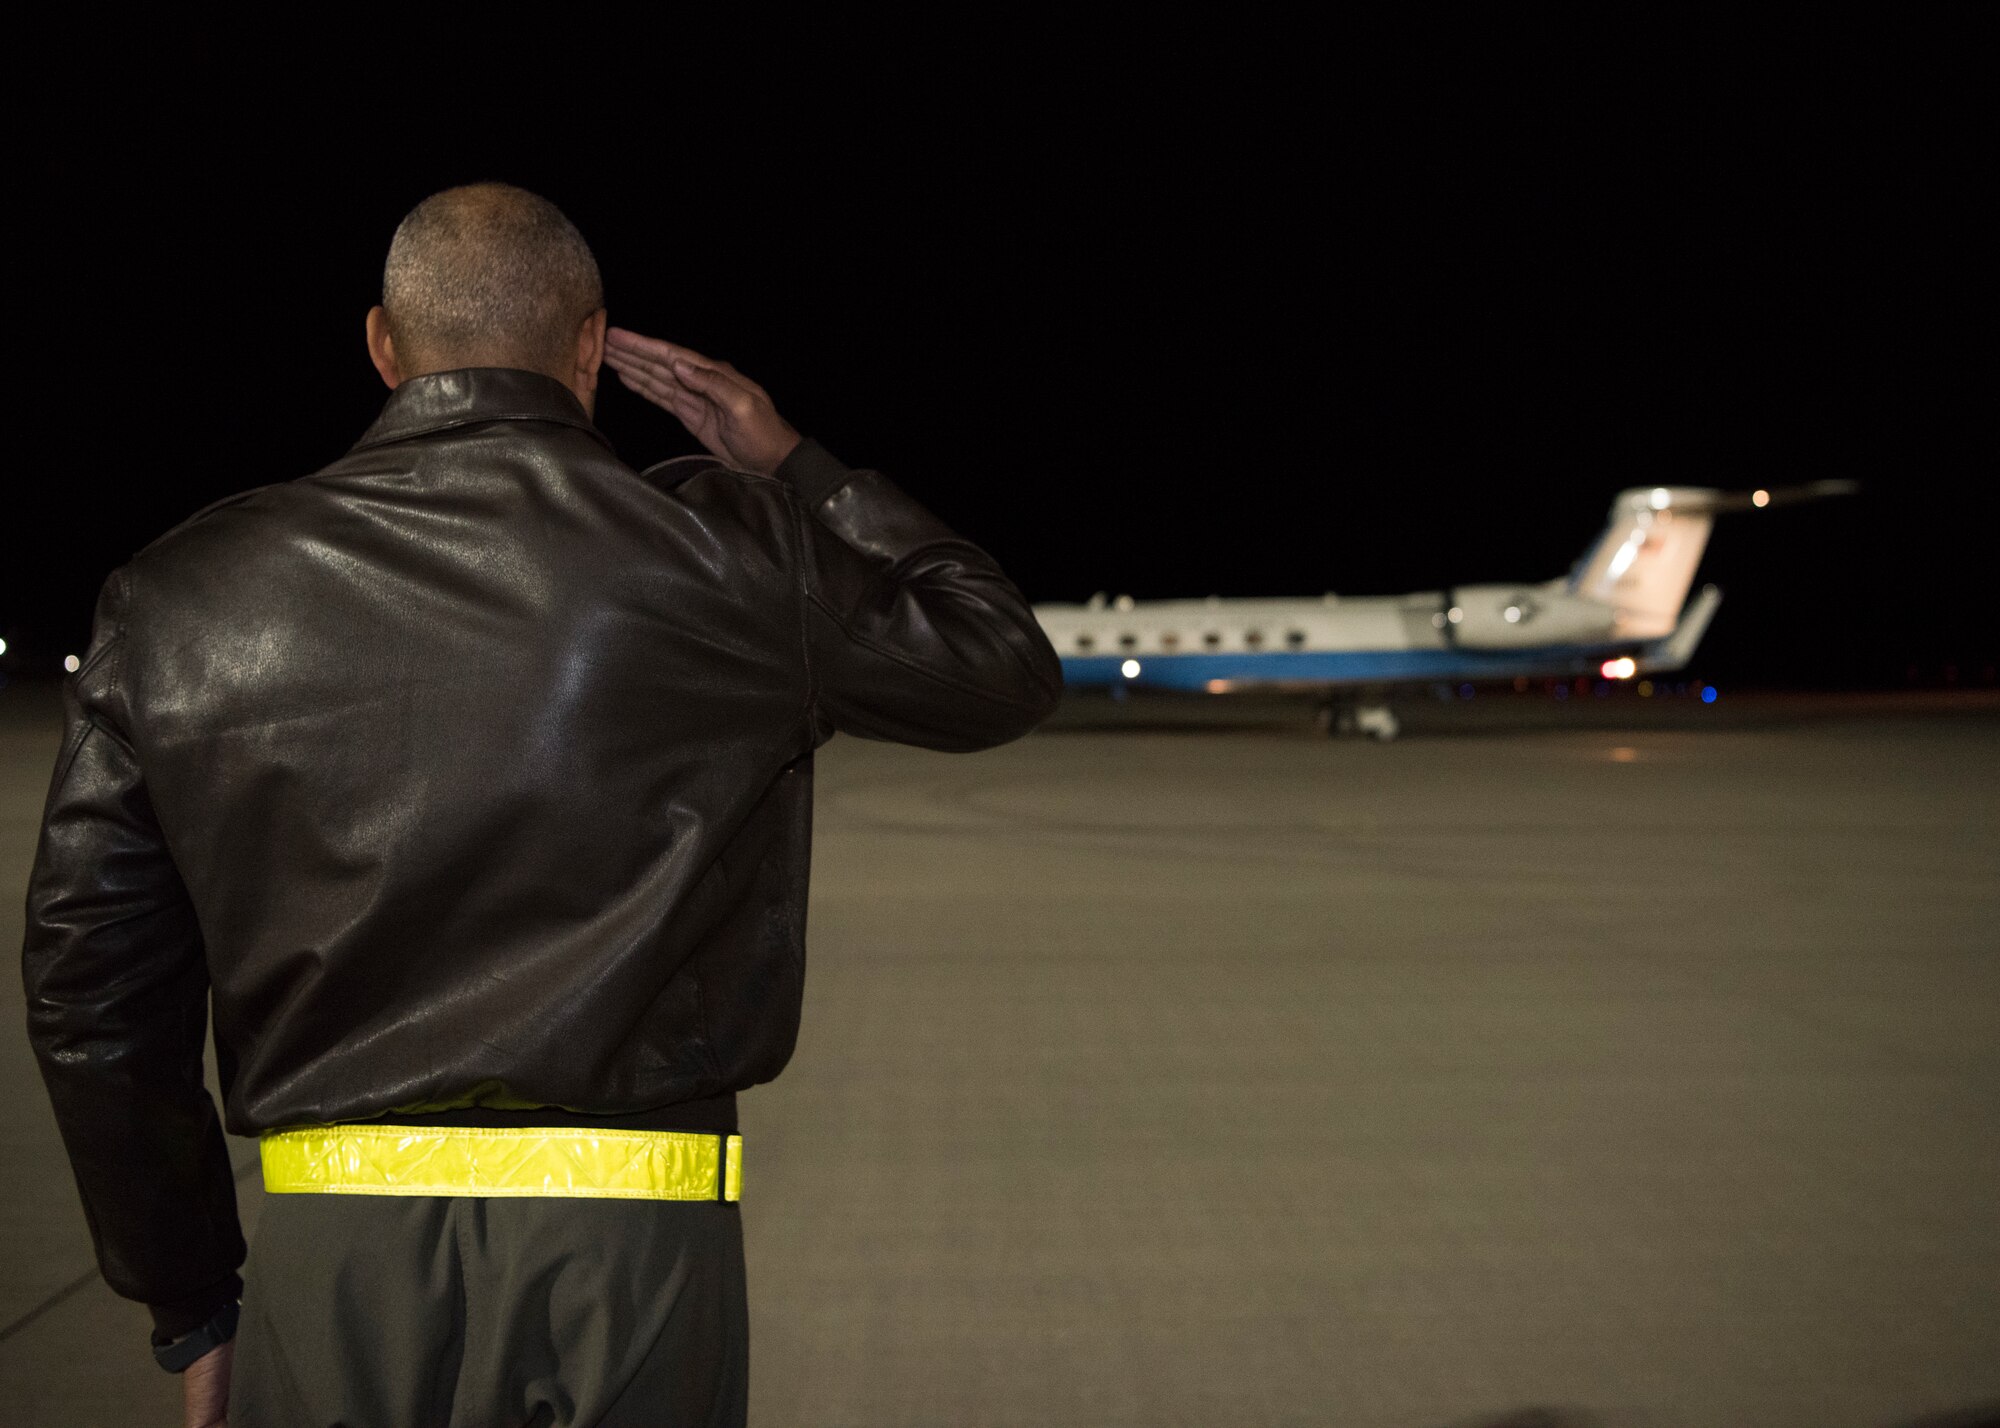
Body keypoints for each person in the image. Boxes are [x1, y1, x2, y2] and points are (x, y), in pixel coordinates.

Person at [22, 182, 1062, 1427]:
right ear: (590, 348)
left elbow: (91, 986)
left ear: (381, 347)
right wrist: (795, 465)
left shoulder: (183, 593)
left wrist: (189, 1296)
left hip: (333, 1256)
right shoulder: (726, 554)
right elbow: (996, 663)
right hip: (630, 1262)